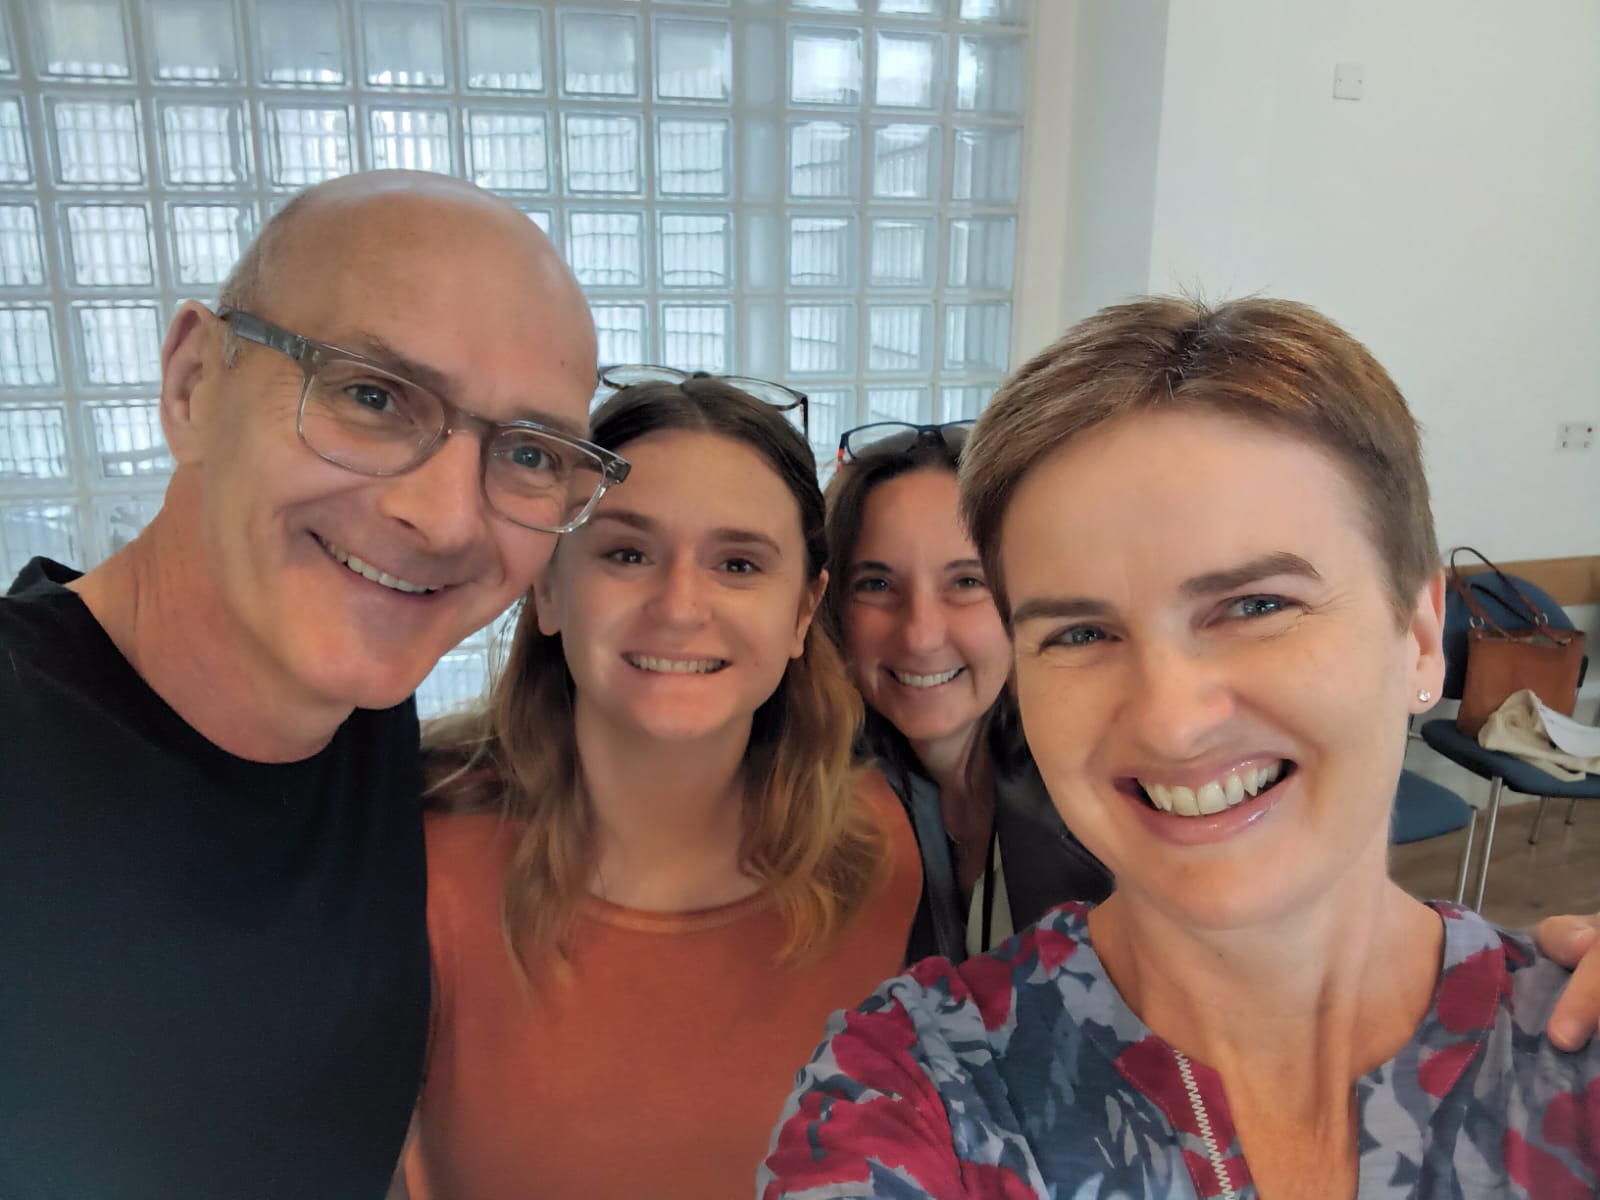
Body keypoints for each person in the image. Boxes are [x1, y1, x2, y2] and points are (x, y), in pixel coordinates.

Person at [762, 297, 1600, 1197]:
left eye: (1255, 606)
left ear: (1423, 636)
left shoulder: (1571, 1057)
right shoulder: (911, 1090)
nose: (1171, 721)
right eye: (1080, 633)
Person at [0, 171, 620, 1200]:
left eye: (525, 452)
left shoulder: (366, 715)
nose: (447, 519)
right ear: (194, 381)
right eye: (371, 395)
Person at [403, 378, 922, 1200]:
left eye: (739, 563)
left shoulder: (886, 849)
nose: (681, 606)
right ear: (547, 585)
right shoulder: (418, 860)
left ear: (802, 612)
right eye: (627, 553)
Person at [824, 422, 1111, 962]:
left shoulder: (1113, 789)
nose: (922, 635)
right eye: (877, 584)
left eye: (966, 581)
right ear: (833, 607)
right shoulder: (795, 808)